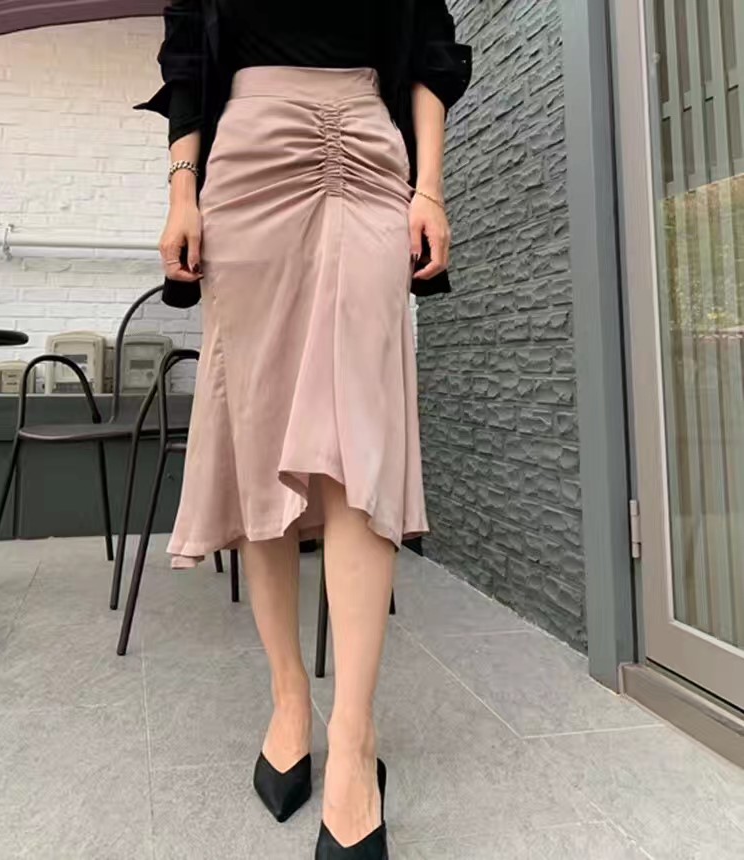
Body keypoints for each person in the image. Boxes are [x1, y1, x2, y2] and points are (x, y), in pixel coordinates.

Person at [140, 2, 471, 856]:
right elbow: (187, 57)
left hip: (367, 152)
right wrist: (182, 191)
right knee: (261, 436)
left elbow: (432, 51)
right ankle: (289, 696)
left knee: (364, 434)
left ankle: (354, 736)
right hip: (247, 161)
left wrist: (429, 188)